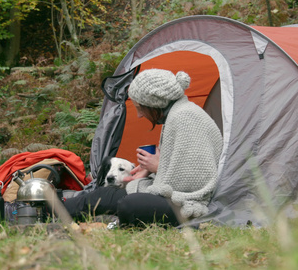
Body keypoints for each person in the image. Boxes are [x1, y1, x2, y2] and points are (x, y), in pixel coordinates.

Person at [63, 69, 223, 227]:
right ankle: (53, 210)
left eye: (140, 108)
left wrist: (157, 166)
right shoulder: (176, 114)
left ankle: (57, 211)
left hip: (187, 205)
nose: (139, 115)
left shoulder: (185, 117)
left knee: (130, 204)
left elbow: (195, 179)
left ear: (154, 104)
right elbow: (182, 165)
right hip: (171, 196)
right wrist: (149, 169)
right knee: (104, 194)